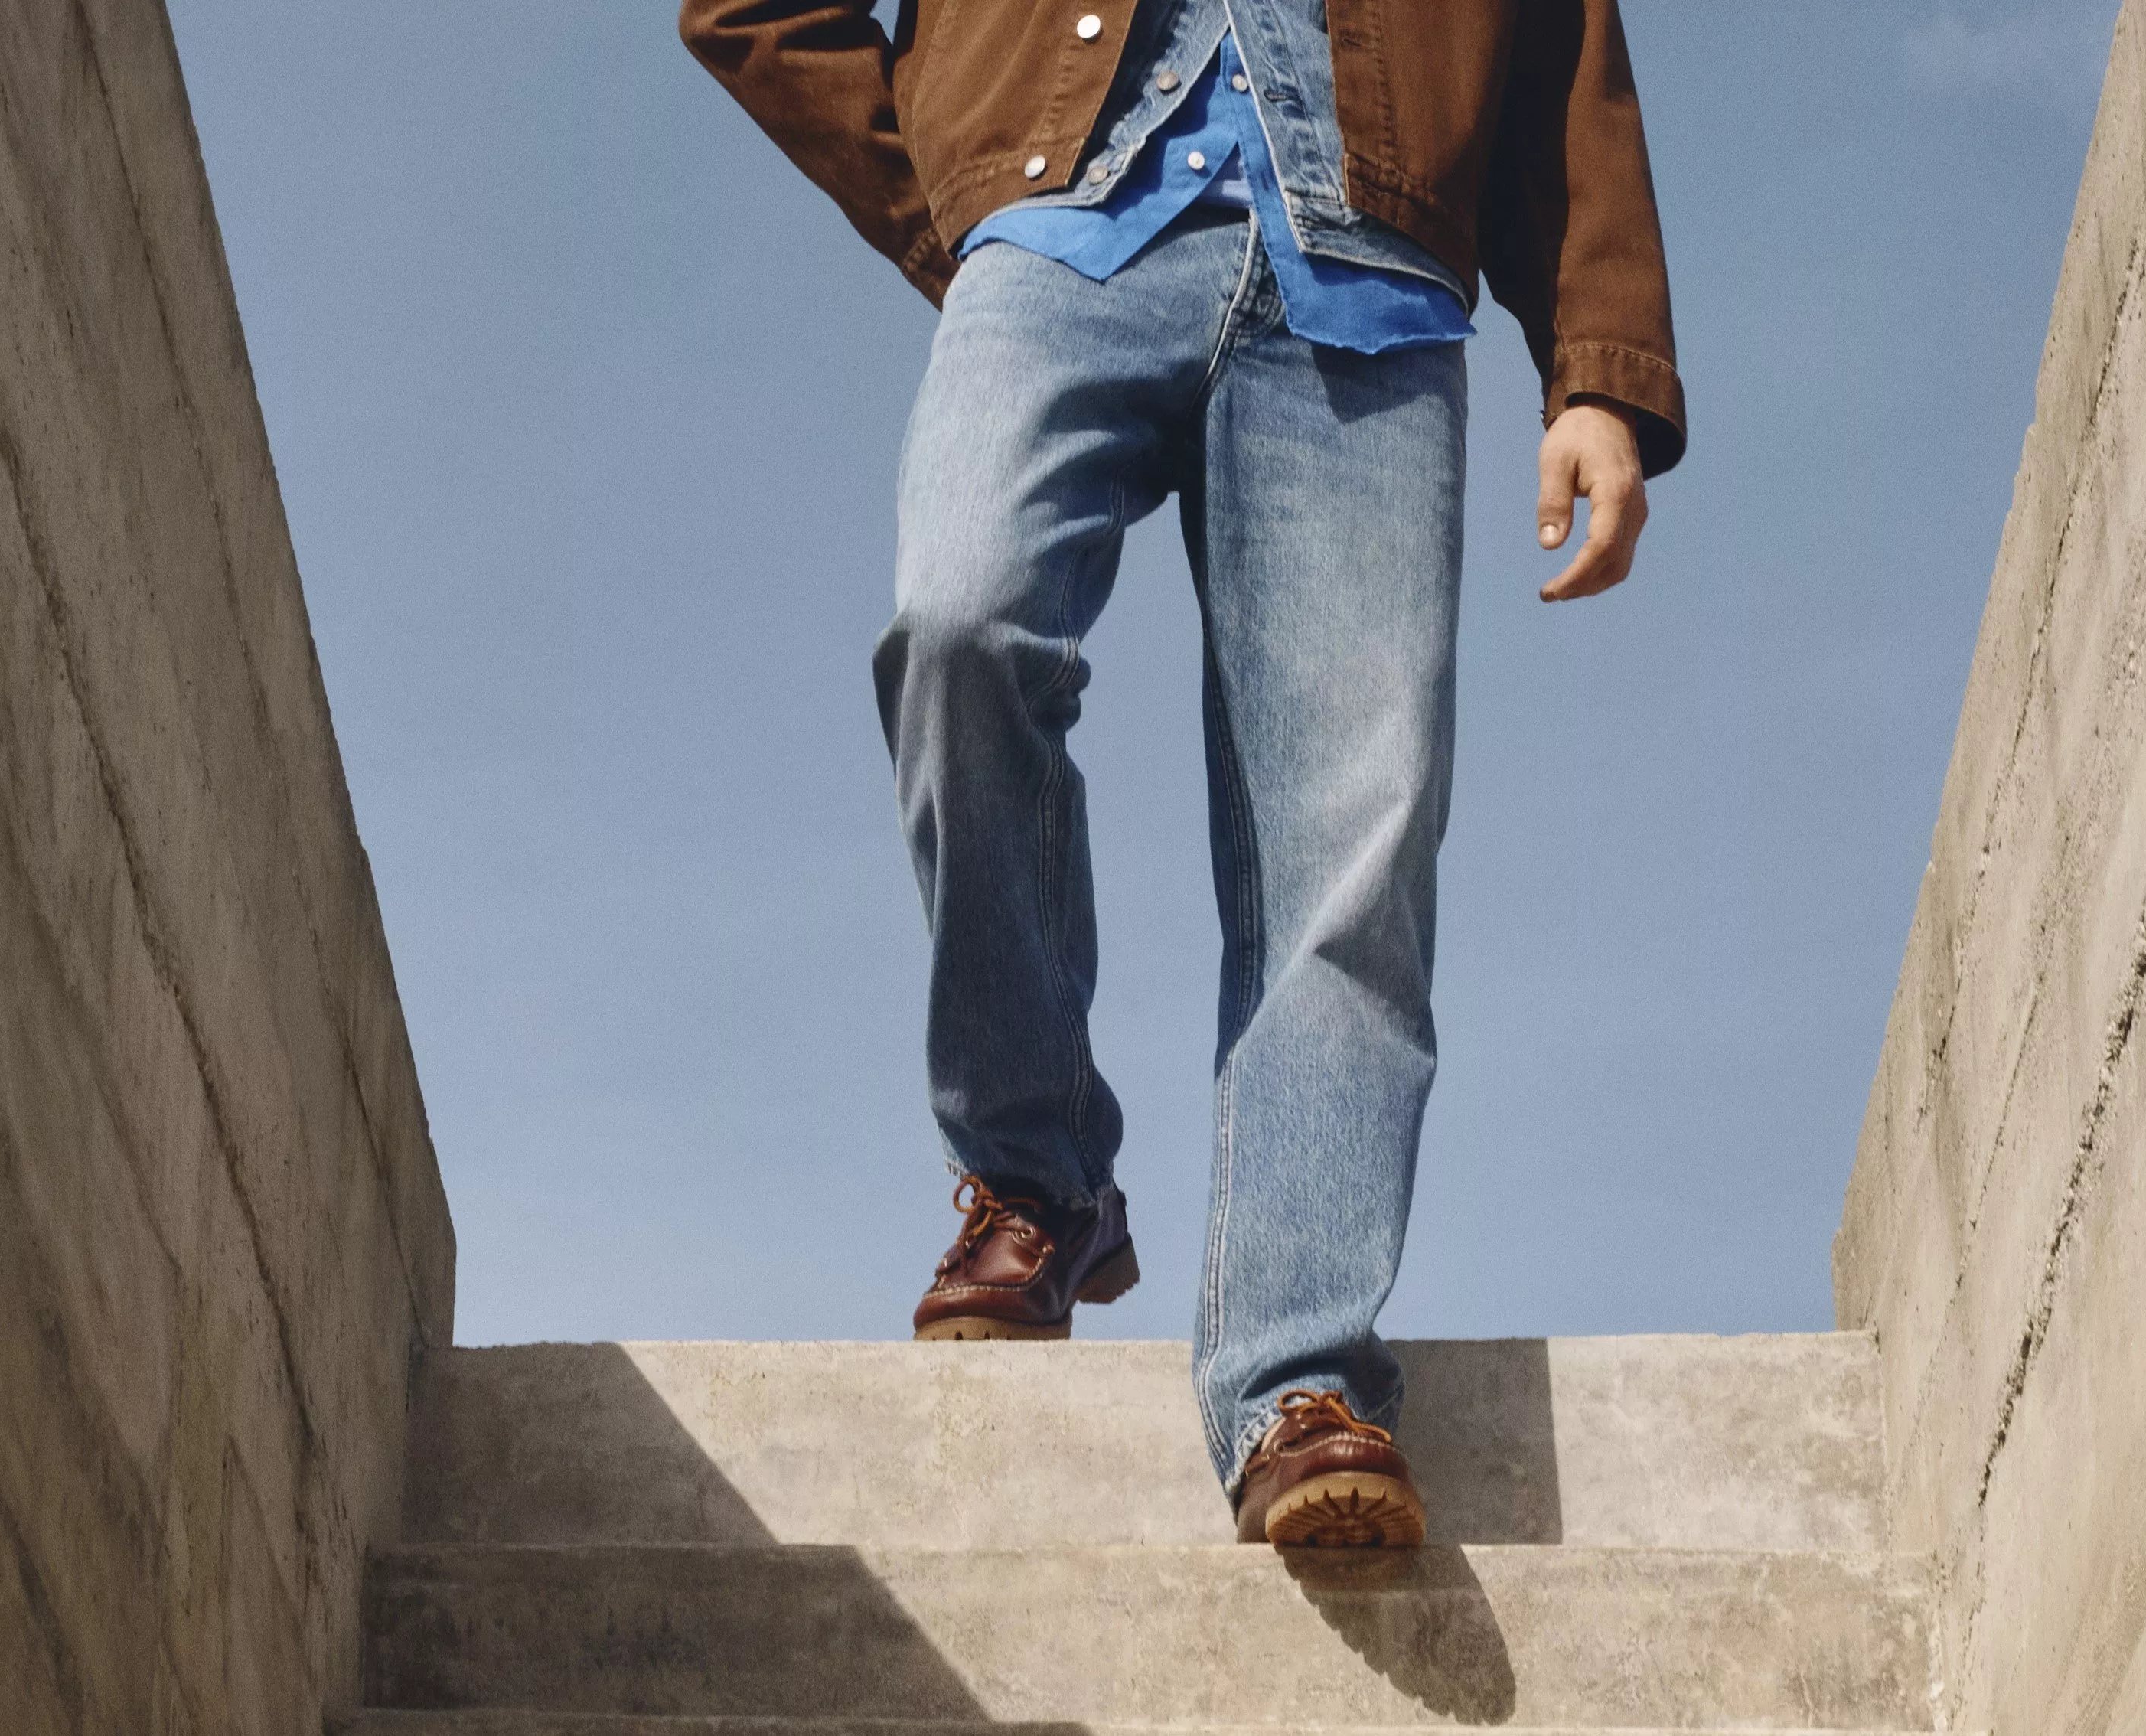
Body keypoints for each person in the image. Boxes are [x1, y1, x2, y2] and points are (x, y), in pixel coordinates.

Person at [681, 0, 1684, 1547]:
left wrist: (1597, 370)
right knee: (960, 629)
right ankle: (1035, 1176)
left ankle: (1296, 1375)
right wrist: (950, 203)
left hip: (1365, 263)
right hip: (1058, 228)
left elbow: (1560, 42)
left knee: (1352, 831)